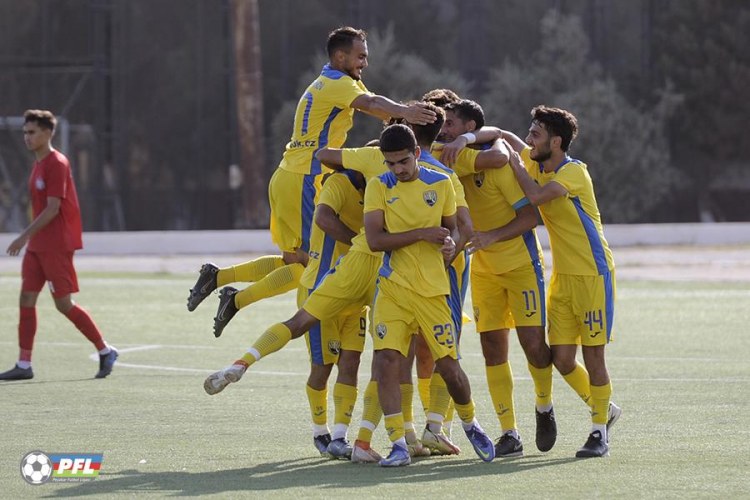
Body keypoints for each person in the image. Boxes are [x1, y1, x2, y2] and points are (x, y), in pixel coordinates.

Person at [187, 26, 436, 338]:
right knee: (308, 263)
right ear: (340, 57)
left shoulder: (334, 80)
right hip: (305, 178)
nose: (365, 63)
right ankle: (235, 299)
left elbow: (373, 103)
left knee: (294, 260)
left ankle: (219, 279)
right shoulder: (338, 83)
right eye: (360, 56)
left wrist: (399, 118)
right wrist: (406, 111)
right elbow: (372, 104)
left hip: (290, 175)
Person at [363, 123, 494, 466]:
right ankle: (398, 444)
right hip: (393, 289)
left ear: (417, 154)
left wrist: (451, 243)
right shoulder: (379, 186)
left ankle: (471, 423)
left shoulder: (441, 183)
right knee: (386, 362)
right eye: (391, 163)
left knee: (449, 366)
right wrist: (421, 233)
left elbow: (452, 228)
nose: (397, 169)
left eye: (403, 161)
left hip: (433, 291)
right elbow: (375, 240)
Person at [438, 99, 557, 457]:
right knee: (491, 346)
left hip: (522, 265)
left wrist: (491, 236)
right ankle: (510, 433)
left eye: (451, 123)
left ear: (470, 127)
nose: (444, 130)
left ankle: (544, 405)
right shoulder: (450, 158)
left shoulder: (499, 160)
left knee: (533, 345)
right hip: (484, 268)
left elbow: (531, 218)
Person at [505, 105, 621, 458]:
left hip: (593, 276)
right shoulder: (536, 164)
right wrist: (468, 137)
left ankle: (599, 432)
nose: (528, 139)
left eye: (535, 134)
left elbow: (536, 197)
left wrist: (513, 162)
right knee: (563, 359)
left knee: (594, 356)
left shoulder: (573, 172)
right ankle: (605, 408)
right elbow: (504, 137)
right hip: (563, 279)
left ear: (555, 142)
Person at [0, 109, 118, 381]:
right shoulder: (37, 165)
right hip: (37, 246)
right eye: (25, 132)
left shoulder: (57, 163)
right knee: (26, 299)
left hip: (56, 245)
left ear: (47, 133)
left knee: (63, 304)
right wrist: (30, 239)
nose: (27, 137)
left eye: (32, 132)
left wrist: (23, 236)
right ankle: (24, 364)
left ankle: (105, 350)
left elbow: (53, 209)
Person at [297, 169, 368, 459]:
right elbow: (323, 218)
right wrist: (359, 243)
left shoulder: (381, 190)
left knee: (351, 362)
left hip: (356, 291)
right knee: (323, 367)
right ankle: (320, 431)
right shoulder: (338, 183)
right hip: (323, 288)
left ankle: (340, 436)